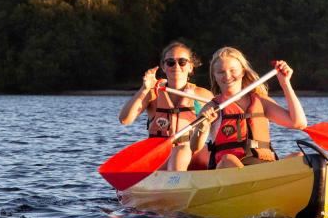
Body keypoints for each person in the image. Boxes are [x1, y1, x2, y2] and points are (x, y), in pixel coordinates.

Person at [190, 46, 307, 169]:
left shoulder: (261, 102)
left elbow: (298, 123)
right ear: (214, 76)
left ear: (243, 71)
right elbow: (195, 148)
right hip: (230, 168)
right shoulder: (212, 108)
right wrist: (201, 126)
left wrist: (285, 83)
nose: (227, 76)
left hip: (265, 167)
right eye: (221, 72)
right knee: (228, 160)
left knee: (300, 157)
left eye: (233, 70)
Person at [118, 41, 213, 171]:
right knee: (179, 152)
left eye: (182, 62)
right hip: (160, 154)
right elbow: (125, 119)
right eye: (170, 62)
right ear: (163, 67)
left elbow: (220, 125)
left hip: (191, 153)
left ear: (191, 66)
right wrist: (144, 89)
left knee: (184, 150)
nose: (176, 66)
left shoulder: (202, 95)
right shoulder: (152, 93)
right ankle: (174, 183)